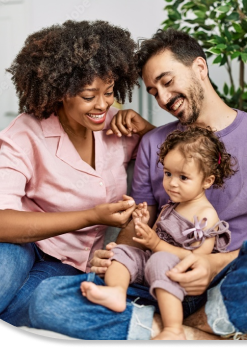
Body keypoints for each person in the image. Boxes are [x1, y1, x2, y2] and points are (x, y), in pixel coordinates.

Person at [28, 28, 247, 341]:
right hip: (157, 277)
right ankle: (198, 334)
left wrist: (208, 264)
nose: (163, 99)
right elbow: (141, 224)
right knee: (46, 298)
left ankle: (181, 328)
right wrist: (116, 255)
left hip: (228, 282)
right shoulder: (152, 142)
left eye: (167, 81)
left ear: (200, 68)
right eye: (153, 92)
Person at [0, 20, 155, 328]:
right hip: (14, 242)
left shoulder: (117, 128)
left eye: (109, 92)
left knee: (27, 308)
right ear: (60, 90)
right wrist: (92, 215)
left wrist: (148, 129)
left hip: (67, 265)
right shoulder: (27, 133)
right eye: (88, 95)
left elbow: (178, 156)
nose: (103, 104)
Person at [80, 126, 236, 340]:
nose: (171, 183)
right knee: (123, 251)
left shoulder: (206, 215)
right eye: (168, 173)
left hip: (181, 284)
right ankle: (116, 291)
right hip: (152, 269)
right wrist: (142, 224)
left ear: (207, 181)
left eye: (183, 177)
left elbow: (199, 260)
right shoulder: (170, 206)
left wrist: (155, 245)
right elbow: (151, 240)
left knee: (161, 258)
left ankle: (173, 329)